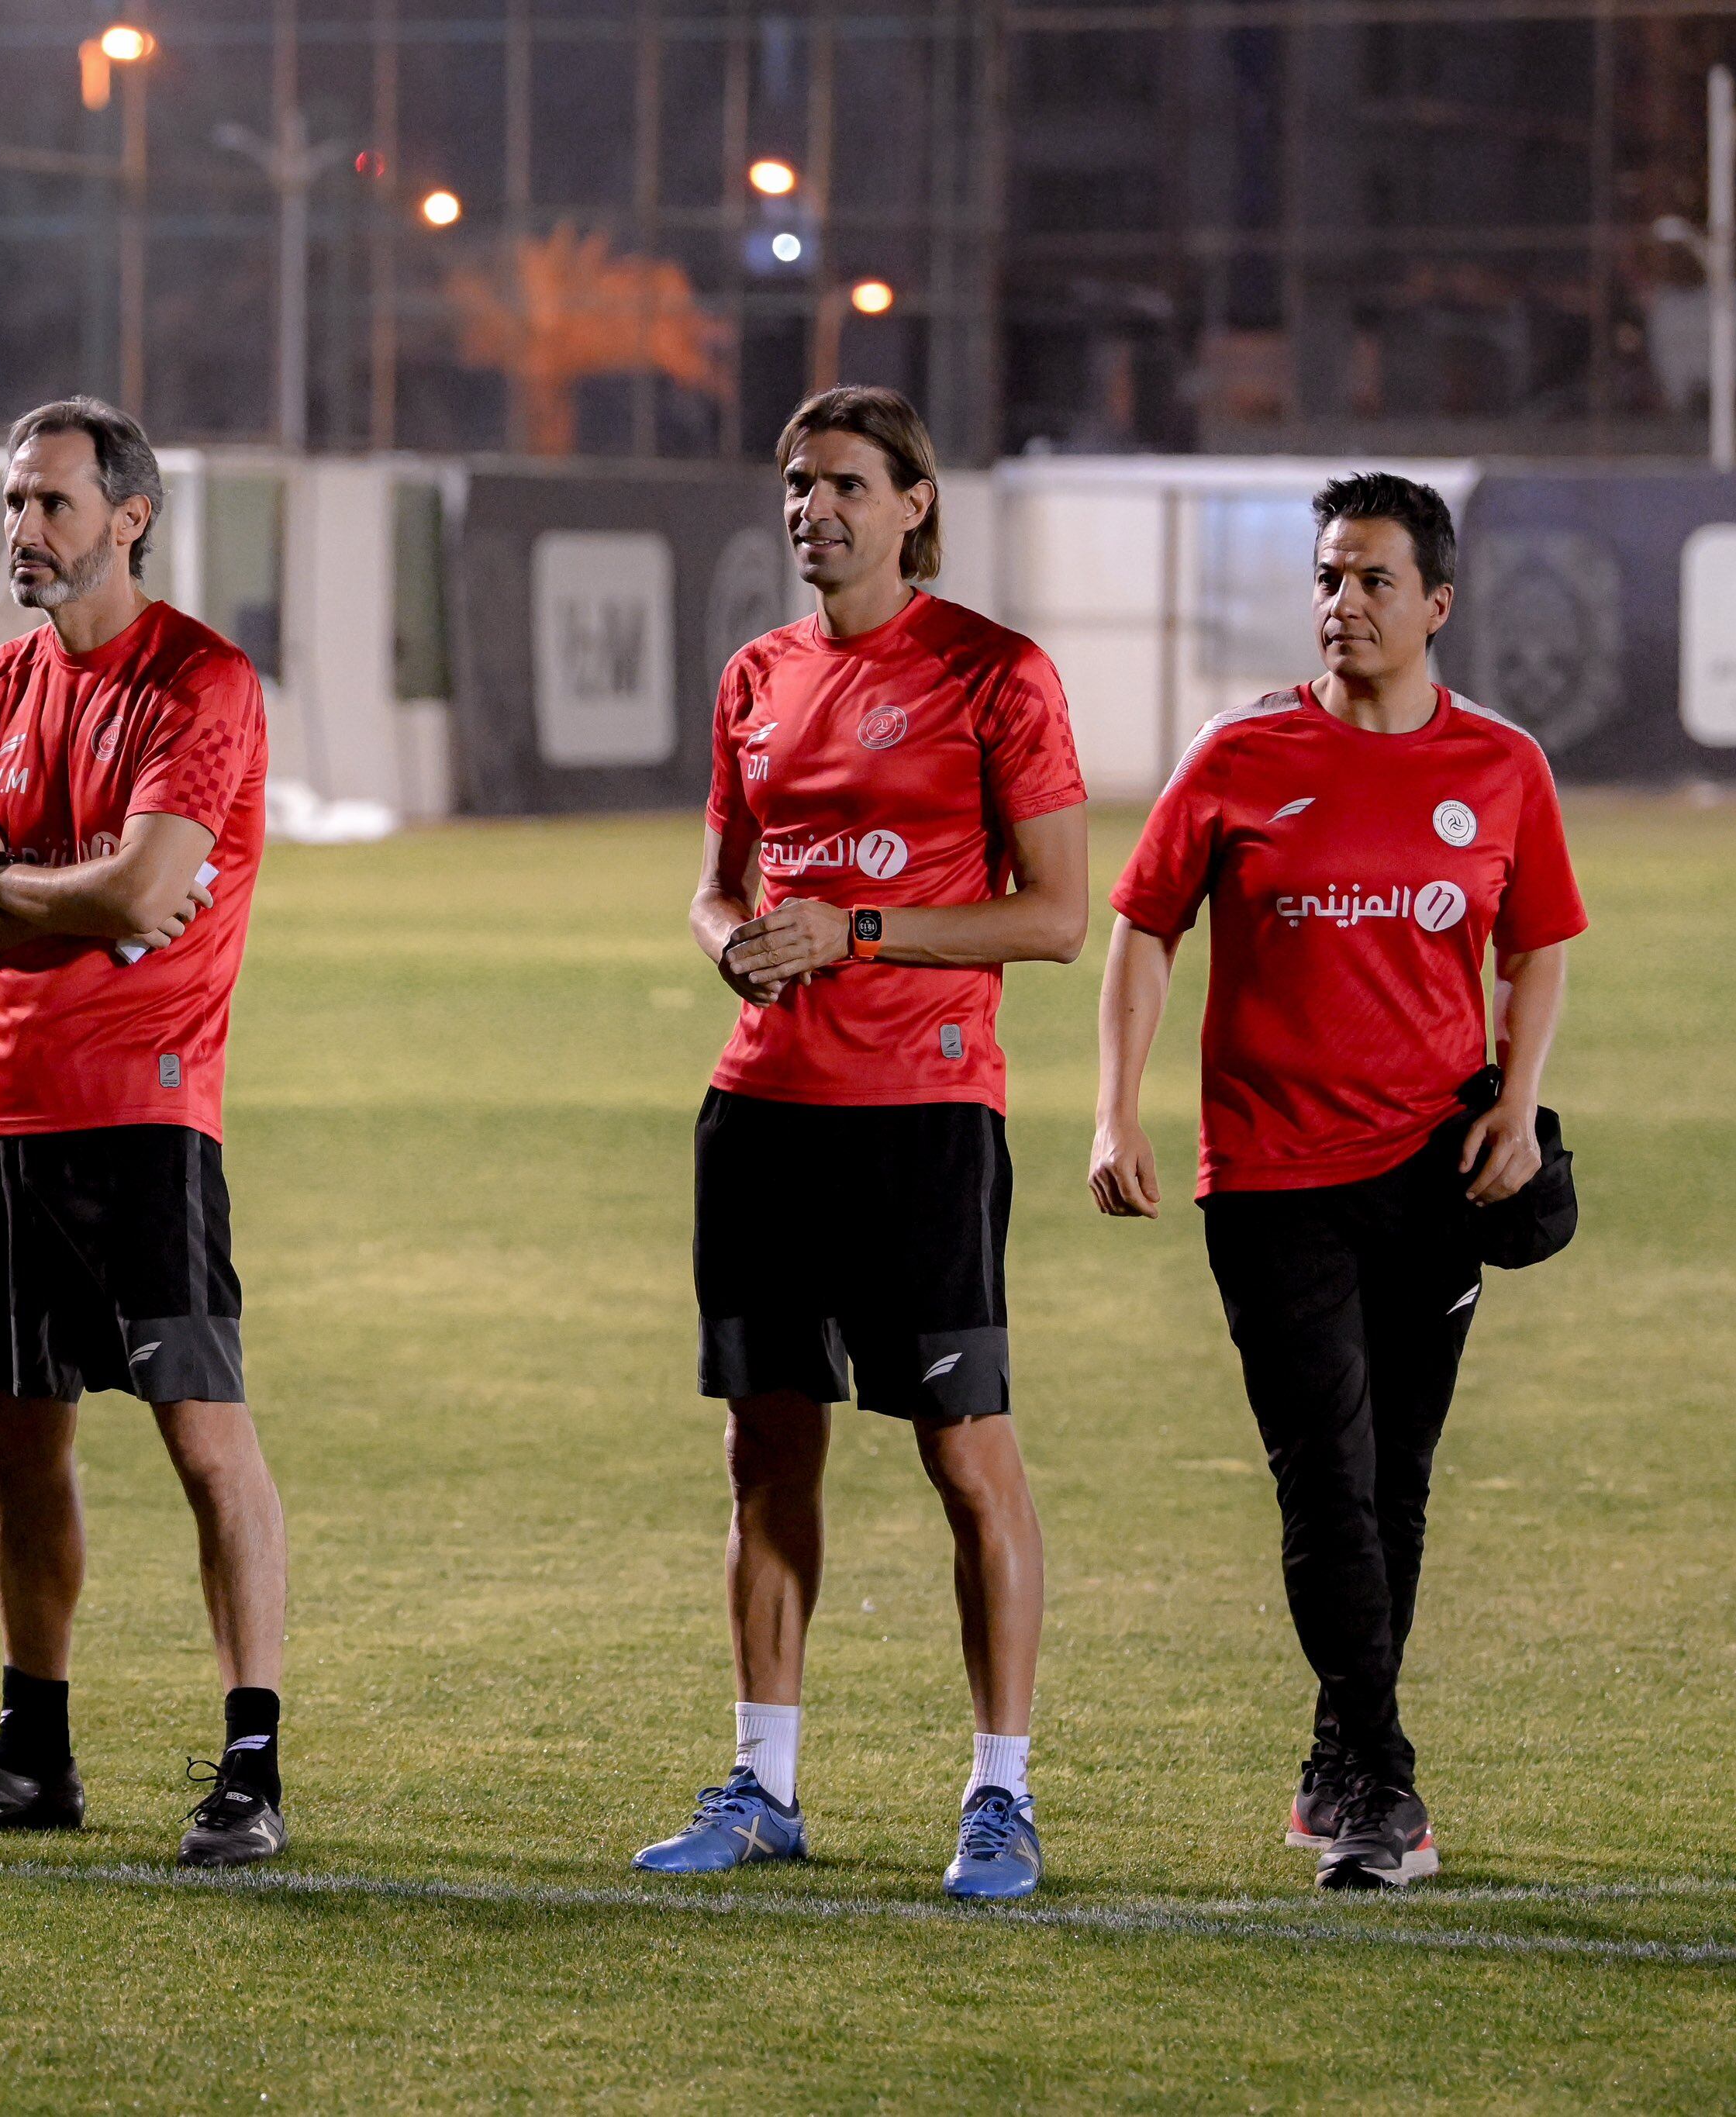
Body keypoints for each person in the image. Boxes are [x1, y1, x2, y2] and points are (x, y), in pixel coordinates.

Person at [1091, 472, 1584, 1891]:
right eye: (1326, 576)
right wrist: (1116, 1111)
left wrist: (1522, 1101)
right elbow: (1141, 929)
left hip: (1433, 1175)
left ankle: (1336, 1761)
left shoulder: (1501, 766)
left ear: (1437, 603)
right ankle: (1383, 1777)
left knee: (1398, 1480)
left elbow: (1537, 938)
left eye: (1373, 579)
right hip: (1269, 1177)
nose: (1342, 602)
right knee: (1325, 1477)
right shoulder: (1239, 755)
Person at [633, 387, 1088, 1900]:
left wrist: (861, 931)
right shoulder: (753, 677)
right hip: (760, 1112)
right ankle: (762, 1783)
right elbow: (713, 881)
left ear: (912, 505)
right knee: (764, 1454)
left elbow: (1052, 915)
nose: (808, 507)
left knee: (966, 1458)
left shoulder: (993, 675)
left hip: (923, 1118)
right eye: (793, 482)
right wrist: (727, 943)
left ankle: (1000, 1795)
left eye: (840, 483)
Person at [0, 397, 287, 1870]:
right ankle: (34, 1753)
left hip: (148, 1107)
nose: (23, 531)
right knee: (13, 1434)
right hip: (3, 1105)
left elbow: (135, 893)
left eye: (51, 503)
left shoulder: (202, 685)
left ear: (131, 517)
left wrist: (2, 875)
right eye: (12, 503)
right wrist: (65, 888)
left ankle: (251, 1761)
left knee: (201, 1432)